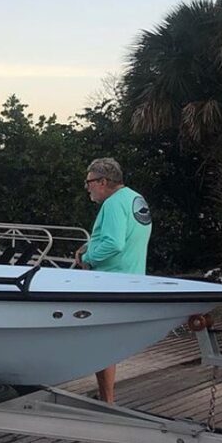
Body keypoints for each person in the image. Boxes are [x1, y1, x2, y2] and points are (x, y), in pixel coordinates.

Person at [74, 157, 152, 403]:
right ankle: (106, 397)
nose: (87, 188)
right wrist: (88, 245)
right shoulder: (134, 199)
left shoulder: (112, 204)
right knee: (107, 343)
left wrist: (88, 257)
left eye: (89, 182)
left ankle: (107, 401)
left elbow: (114, 244)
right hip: (132, 278)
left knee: (101, 343)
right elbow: (125, 236)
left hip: (110, 281)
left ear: (103, 181)